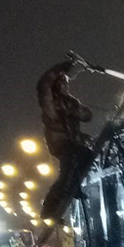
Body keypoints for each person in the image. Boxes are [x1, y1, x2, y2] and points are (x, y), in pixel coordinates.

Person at [37, 53, 99, 221]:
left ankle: (72, 189)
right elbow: (43, 84)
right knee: (69, 171)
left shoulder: (70, 102)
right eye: (62, 83)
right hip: (59, 142)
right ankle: (48, 210)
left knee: (80, 162)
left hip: (71, 142)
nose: (65, 86)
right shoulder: (50, 101)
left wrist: (73, 111)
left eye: (66, 83)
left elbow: (88, 115)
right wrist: (59, 69)